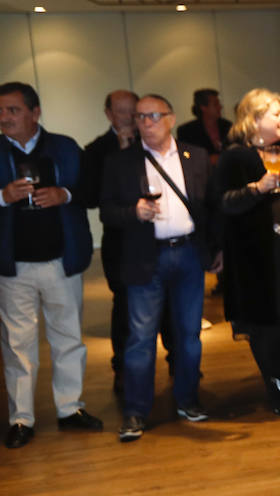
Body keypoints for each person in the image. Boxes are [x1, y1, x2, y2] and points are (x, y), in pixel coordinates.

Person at [100, 93, 217, 441]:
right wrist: (133, 211)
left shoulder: (195, 157)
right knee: (140, 340)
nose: (145, 123)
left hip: (188, 255)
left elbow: (210, 209)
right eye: (139, 117)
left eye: (152, 116)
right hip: (144, 257)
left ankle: (188, 399)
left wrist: (215, 250)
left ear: (171, 118)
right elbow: (106, 212)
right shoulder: (121, 162)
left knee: (189, 336)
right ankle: (136, 411)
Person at [0, 81, 100, 449]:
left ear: (34, 113)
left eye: (12, 110)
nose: (4, 117)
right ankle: (22, 419)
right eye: (0, 111)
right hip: (13, 266)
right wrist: (1, 196)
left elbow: (90, 191)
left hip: (61, 261)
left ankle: (70, 409)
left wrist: (65, 194)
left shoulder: (65, 146)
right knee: (17, 346)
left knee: (68, 339)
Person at [217, 89, 280, 417]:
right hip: (260, 259)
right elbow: (222, 203)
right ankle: (276, 386)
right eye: (276, 113)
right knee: (268, 326)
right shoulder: (236, 157)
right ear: (256, 120)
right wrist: (255, 189)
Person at [80, 89, 142, 397]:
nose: (129, 118)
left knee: (167, 305)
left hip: (153, 237)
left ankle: (176, 365)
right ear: (108, 114)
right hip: (118, 240)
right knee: (124, 305)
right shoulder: (95, 150)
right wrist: (119, 157)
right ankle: (122, 369)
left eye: (134, 111)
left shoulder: (153, 143)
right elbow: (90, 197)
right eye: (121, 112)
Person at [176, 88, 232, 165]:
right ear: (203, 107)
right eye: (216, 104)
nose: (220, 107)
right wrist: (207, 159)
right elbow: (186, 156)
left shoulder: (228, 125)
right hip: (202, 174)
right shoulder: (186, 130)